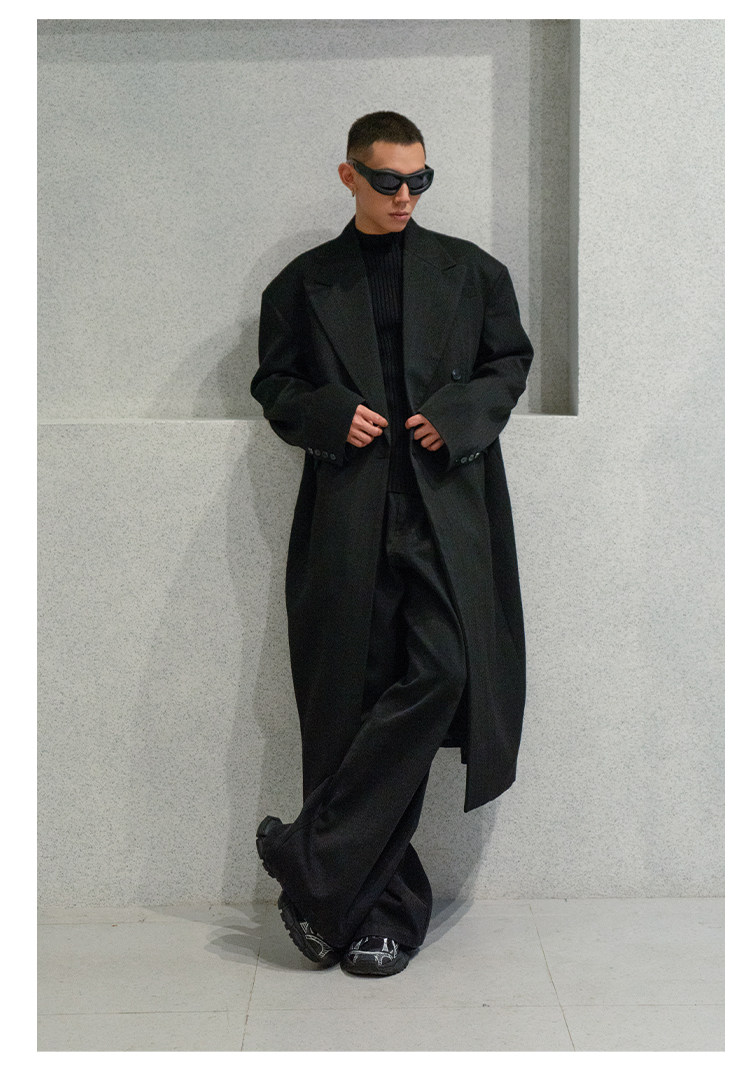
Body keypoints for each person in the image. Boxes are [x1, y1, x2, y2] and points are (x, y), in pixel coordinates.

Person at [252, 111, 533, 978]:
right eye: (387, 181)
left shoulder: (472, 272)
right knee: (352, 702)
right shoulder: (304, 284)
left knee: (445, 672)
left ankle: (313, 863)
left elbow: (509, 363)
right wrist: (331, 414)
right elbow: (275, 383)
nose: (405, 195)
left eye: (420, 180)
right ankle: (379, 915)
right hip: (349, 512)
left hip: (448, 512)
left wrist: (457, 416)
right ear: (349, 176)